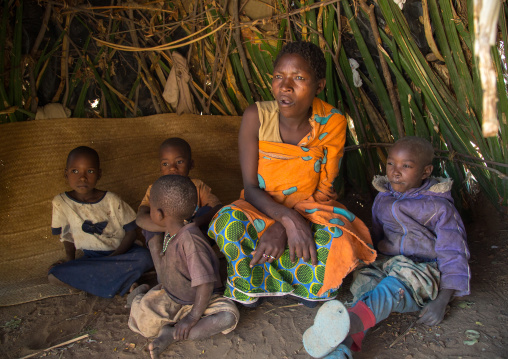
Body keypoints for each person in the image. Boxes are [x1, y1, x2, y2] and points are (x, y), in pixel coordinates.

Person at [207, 41, 376, 307]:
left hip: (311, 212)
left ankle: (298, 285)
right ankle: (257, 284)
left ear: (319, 86)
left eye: (298, 78)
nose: (285, 86)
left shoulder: (332, 122)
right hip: (261, 210)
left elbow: (323, 193)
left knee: (337, 237)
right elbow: (251, 188)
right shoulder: (257, 117)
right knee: (228, 223)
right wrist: (285, 221)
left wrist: (292, 225)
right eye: (278, 77)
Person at [303, 137, 471, 358]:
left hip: (420, 272)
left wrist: (442, 300)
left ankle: (348, 324)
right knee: (364, 285)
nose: (395, 172)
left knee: (388, 290)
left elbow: (454, 253)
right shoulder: (383, 199)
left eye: (406, 166)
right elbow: (376, 236)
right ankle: (342, 349)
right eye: (391, 164)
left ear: (425, 171)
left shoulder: (439, 207)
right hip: (387, 263)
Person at [128, 175, 239, 359]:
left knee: (228, 317)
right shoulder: (172, 233)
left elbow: (205, 285)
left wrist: (192, 317)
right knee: (144, 318)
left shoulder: (191, 242)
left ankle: (170, 333)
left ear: (159, 214)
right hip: (172, 298)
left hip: (203, 302)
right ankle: (138, 297)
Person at [48, 146, 153, 298]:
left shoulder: (111, 200)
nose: (82, 178)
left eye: (90, 171)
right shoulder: (61, 202)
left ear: (99, 174)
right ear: (66, 174)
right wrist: (70, 262)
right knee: (54, 275)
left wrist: (112, 258)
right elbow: (67, 235)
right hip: (92, 259)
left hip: (121, 255)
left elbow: (131, 232)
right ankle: (123, 283)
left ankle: (99, 284)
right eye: (75, 171)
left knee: (146, 257)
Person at [136, 137, 222, 242]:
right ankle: (159, 256)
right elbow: (140, 217)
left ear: (191, 164)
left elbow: (218, 208)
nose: (172, 168)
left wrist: (196, 222)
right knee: (149, 223)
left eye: (179, 161)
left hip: (192, 234)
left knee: (207, 212)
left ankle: (197, 249)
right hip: (165, 236)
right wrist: (171, 228)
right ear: (160, 167)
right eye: (165, 164)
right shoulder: (155, 189)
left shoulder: (198, 186)